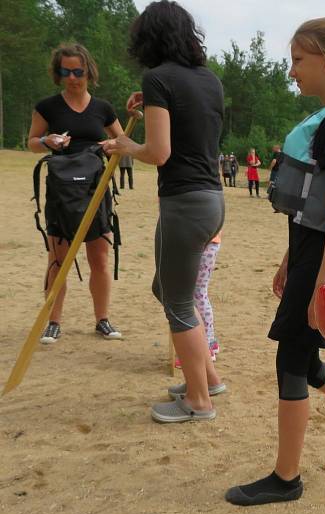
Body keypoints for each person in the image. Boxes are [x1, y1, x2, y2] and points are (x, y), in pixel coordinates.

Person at [225, 16, 325, 506]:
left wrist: (321, 286)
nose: (292, 71)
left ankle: (286, 478)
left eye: (298, 60)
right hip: (312, 255)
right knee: (309, 360)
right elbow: (313, 208)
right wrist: (287, 261)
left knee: (292, 357)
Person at [101, 0, 225, 423]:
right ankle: (207, 378)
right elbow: (186, 129)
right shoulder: (208, 79)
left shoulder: (157, 77)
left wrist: (125, 145)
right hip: (211, 199)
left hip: (185, 203)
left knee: (177, 303)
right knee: (167, 290)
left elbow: (158, 151)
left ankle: (198, 402)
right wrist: (147, 111)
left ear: (149, 39)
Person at [27, 42, 125, 344]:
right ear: (58, 73)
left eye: (78, 71)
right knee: (58, 259)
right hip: (61, 191)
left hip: (95, 190)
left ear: (89, 72)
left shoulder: (103, 108)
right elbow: (31, 141)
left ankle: (102, 319)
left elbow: (123, 142)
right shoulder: (47, 107)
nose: (73, 77)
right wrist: (48, 140)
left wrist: (112, 145)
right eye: (66, 71)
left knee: (100, 257)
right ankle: (53, 321)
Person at [175, 231, 222, 369]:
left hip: (200, 242)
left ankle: (205, 347)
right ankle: (210, 342)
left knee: (196, 295)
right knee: (199, 294)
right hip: (203, 241)